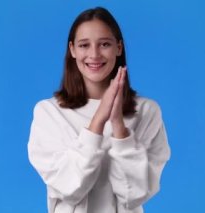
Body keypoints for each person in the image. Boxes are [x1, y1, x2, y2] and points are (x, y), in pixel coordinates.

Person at [27, 7, 171, 213]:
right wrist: (98, 121)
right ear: (73, 50)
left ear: (118, 48)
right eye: (84, 45)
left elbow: (136, 195)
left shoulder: (147, 111)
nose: (94, 54)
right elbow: (70, 187)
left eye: (104, 44)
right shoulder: (48, 112)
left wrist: (119, 127)